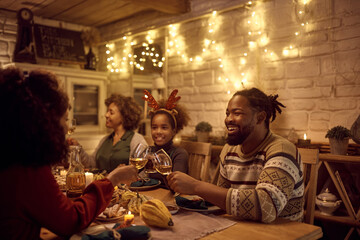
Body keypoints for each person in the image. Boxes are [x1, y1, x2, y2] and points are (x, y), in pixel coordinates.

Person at [0, 67, 138, 239]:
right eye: (64, 119)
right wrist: (111, 180)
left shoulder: (11, 154)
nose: (66, 127)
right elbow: (71, 219)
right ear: (43, 120)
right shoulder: (27, 168)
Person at [167, 88, 304, 223]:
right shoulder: (229, 150)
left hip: (283, 233)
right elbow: (221, 198)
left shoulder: (281, 149)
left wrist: (195, 186)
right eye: (227, 113)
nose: (228, 119)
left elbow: (266, 207)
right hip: (243, 226)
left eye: (237, 113)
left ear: (260, 118)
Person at [70, 94, 148, 173]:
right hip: (103, 184)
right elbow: (92, 164)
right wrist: (78, 148)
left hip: (124, 185)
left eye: (111, 112)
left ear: (124, 116)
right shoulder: (105, 140)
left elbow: (142, 171)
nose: (106, 115)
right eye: (107, 111)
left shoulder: (136, 139)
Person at [143, 89, 190, 183]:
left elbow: (177, 184)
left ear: (173, 131)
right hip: (152, 195)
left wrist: (160, 165)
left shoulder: (179, 154)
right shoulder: (149, 151)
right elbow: (136, 178)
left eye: (164, 128)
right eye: (154, 127)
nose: (158, 132)